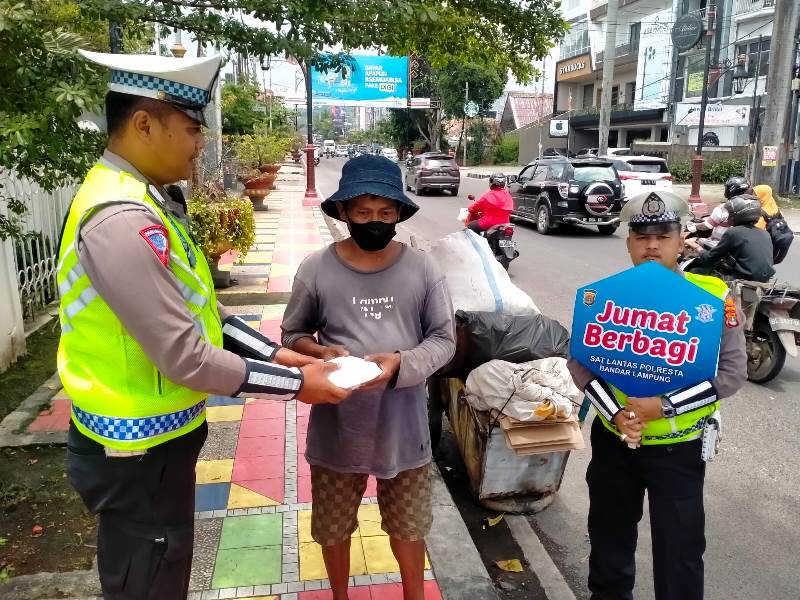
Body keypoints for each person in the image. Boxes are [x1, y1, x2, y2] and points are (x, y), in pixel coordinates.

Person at [59, 50, 351, 600]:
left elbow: (203, 317)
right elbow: (186, 356)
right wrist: (298, 386)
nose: (201, 144)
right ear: (144, 122)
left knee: (164, 564)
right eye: (192, 129)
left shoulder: (148, 200)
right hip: (134, 451)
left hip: (156, 440)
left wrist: (277, 355)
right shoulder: (121, 217)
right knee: (148, 578)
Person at [280, 154, 456, 600]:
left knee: (409, 528)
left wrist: (400, 363)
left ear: (398, 212)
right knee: (334, 529)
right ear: (343, 212)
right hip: (338, 429)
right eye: (362, 213)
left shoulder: (422, 269)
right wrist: (321, 352)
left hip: (404, 429)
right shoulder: (316, 268)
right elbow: (293, 334)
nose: (374, 222)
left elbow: (443, 340)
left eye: (384, 213)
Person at [567, 190, 747, 600]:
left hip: (678, 451)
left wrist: (662, 407)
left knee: (680, 555)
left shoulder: (713, 298)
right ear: (627, 240)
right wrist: (615, 414)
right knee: (609, 548)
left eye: (663, 235)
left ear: (682, 239)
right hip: (614, 444)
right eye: (641, 235)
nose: (652, 244)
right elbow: (580, 364)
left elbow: (732, 373)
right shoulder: (602, 296)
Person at [691, 194, 775, 282]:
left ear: (739, 214)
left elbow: (709, 258)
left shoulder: (734, 232)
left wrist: (695, 246)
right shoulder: (765, 233)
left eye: (730, 213)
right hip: (764, 280)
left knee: (694, 271)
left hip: (741, 280)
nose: (729, 216)